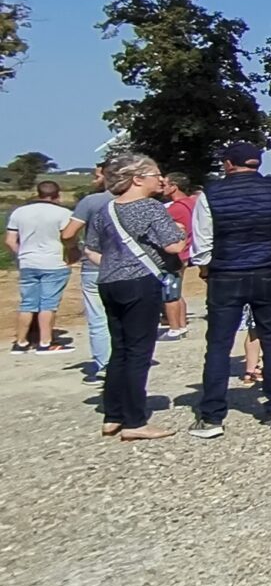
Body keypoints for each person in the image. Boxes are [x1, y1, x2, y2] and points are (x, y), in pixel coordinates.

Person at [187, 142, 271, 439]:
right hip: (268, 273)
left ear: (228, 163)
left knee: (219, 344)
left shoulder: (211, 194)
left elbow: (202, 246)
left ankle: (212, 416)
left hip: (226, 273)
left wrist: (207, 271)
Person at [83, 153, 186, 441]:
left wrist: (115, 263)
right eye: (155, 175)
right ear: (137, 179)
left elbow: (91, 249)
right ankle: (135, 421)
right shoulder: (150, 207)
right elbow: (174, 246)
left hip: (109, 281)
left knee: (120, 349)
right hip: (140, 282)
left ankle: (113, 415)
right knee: (139, 352)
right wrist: (180, 232)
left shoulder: (106, 209)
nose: (161, 179)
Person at [59, 165, 113, 382]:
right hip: (132, 267)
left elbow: (68, 233)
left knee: (98, 318)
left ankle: (104, 364)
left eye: (97, 175)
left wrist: (72, 249)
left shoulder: (91, 201)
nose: (94, 180)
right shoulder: (143, 201)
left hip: (95, 265)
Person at [7, 181, 74, 354]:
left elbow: (10, 241)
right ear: (57, 195)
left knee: (27, 303)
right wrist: (72, 254)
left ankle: (21, 342)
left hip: (28, 262)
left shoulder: (19, 212)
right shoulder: (64, 213)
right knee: (48, 304)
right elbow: (68, 238)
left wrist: (21, 255)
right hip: (54, 262)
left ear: (37, 193)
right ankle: (45, 342)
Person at [158, 173, 197, 342]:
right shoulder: (191, 203)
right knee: (176, 291)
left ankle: (175, 328)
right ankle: (181, 325)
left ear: (174, 186)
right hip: (187, 251)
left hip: (175, 254)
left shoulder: (174, 209)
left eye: (165, 184)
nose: (162, 188)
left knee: (170, 292)